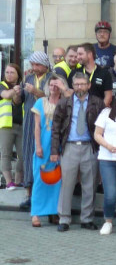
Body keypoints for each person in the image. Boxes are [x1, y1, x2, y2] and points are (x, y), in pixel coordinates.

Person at [51, 71, 104, 231]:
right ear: (72, 86)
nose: (80, 87)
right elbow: (56, 128)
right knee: (67, 184)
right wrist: (54, 150)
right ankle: (64, 219)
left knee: (90, 184)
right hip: (70, 146)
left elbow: (103, 127)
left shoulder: (97, 102)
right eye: (76, 84)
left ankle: (87, 219)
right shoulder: (64, 102)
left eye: (83, 84)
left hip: (90, 146)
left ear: (89, 85)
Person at [29, 78, 63, 227]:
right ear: (47, 87)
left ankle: (53, 212)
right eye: (51, 84)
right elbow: (37, 126)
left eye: (57, 84)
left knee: (56, 180)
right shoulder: (40, 102)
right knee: (39, 179)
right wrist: (38, 145)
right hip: (43, 144)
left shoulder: (65, 103)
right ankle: (35, 214)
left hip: (59, 146)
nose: (54, 87)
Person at [21, 52, 51, 208]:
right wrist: (16, 93)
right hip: (29, 120)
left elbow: (50, 96)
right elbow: (19, 100)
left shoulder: (52, 78)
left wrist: (34, 91)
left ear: (45, 65)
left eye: (37, 65)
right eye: (32, 64)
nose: (34, 67)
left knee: (44, 155)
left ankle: (44, 194)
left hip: (47, 121)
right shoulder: (28, 78)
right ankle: (28, 193)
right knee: (28, 153)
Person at [0, 63, 23, 189]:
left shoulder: (23, 86)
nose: (8, 75)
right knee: (6, 154)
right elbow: (6, 95)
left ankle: (19, 180)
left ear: (18, 74)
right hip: (6, 125)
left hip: (21, 124)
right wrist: (15, 90)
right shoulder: (2, 85)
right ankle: (9, 182)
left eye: (12, 72)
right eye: (7, 72)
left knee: (23, 154)